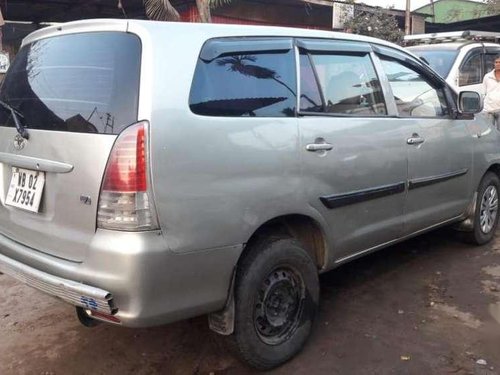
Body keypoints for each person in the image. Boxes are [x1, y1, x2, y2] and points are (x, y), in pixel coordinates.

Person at [483, 55, 500, 127]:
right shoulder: (487, 76)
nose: (498, 64)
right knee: (489, 131)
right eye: (496, 62)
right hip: (489, 110)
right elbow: (483, 92)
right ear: (494, 63)